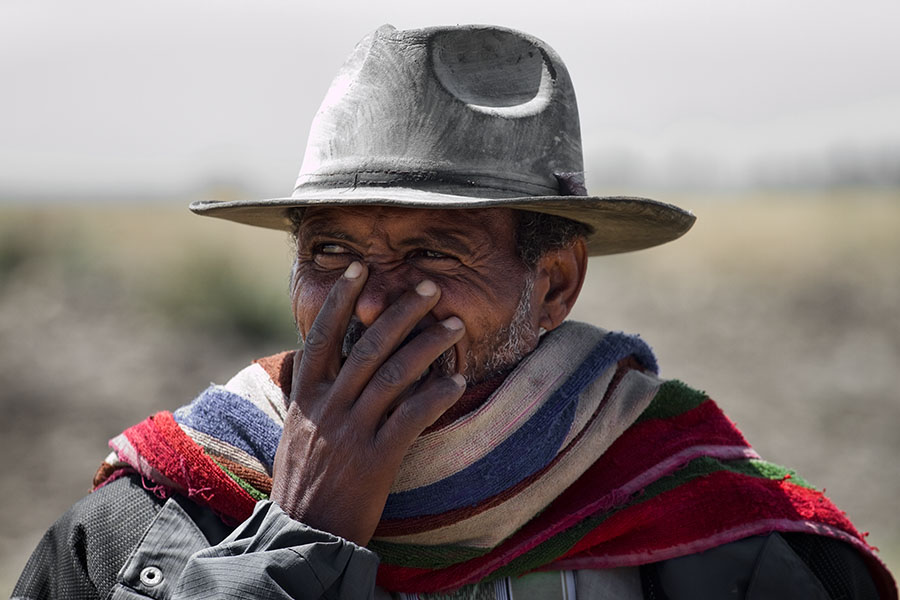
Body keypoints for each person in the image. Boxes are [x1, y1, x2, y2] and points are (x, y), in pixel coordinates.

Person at [13, 24, 896, 600]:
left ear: (555, 285)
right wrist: (298, 538)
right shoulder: (152, 516)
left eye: (434, 254)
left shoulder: (710, 530)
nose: (370, 301)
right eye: (331, 254)